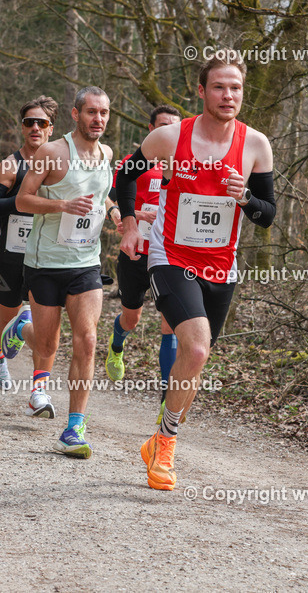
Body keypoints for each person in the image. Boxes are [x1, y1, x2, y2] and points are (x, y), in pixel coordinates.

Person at [116, 52, 276, 490]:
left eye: (236, 88)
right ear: (202, 91)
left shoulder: (256, 145)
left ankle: (159, 438)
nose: (228, 95)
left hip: (222, 267)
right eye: (219, 87)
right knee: (198, 350)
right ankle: (166, 447)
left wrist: (246, 199)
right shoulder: (170, 138)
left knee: (194, 363)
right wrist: (130, 224)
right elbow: (125, 177)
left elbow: (267, 215)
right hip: (171, 257)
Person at [14, 86, 113, 459]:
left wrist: (116, 212)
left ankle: (74, 428)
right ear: (75, 114)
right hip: (45, 264)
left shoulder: (107, 154)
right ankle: (20, 329)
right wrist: (62, 206)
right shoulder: (52, 153)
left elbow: (100, 196)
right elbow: (23, 200)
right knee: (46, 345)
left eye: (104, 113)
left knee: (87, 340)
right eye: (91, 112)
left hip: (86, 263)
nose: (98, 119)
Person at [0, 96, 61, 399]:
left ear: (51, 128)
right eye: (29, 122)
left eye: (42, 122)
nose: (35, 127)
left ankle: (39, 391)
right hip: (11, 256)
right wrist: (24, 200)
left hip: (47, 256)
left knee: (46, 325)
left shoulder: (61, 164)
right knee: (7, 318)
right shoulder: (11, 165)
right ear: (22, 127)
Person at [104, 106, 181, 422]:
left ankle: (166, 400)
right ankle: (116, 345)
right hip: (136, 251)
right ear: (151, 129)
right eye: (163, 126)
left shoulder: (186, 166)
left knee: (170, 325)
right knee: (131, 318)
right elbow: (108, 199)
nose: (168, 132)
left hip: (170, 256)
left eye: (174, 127)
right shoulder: (134, 163)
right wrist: (130, 216)